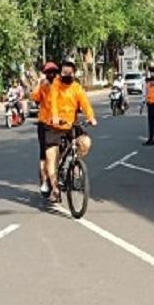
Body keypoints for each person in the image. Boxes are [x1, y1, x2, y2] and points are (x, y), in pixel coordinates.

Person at [47, 61, 98, 202]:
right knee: (52, 156)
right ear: (60, 73)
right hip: (55, 126)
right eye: (64, 73)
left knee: (85, 142)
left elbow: (85, 103)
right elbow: (53, 104)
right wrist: (55, 117)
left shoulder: (77, 88)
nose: (67, 75)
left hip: (71, 125)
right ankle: (55, 190)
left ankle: (74, 161)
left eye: (70, 73)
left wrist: (91, 117)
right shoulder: (55, 86)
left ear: (74, 74)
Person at [31, 62, 59, 196]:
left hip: (62, 123)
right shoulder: (43, 86)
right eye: (49, 72)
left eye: (54, 72)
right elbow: (34, 97)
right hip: (45, 124)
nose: (51, 75)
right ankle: (45, 181)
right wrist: (39, 84)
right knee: (44, 155)